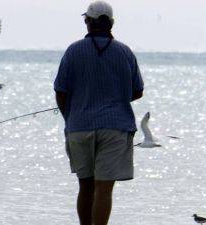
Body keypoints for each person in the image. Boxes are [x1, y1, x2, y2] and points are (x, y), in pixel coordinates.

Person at [53, 1, 144, 225]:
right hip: (115, 128)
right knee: (104, 189)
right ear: (111, 23)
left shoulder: (73, 51)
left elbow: (60, 90)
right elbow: (137, 91)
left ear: (88, 22)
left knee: (85, 186)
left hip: (79, 127)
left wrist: (70, 117)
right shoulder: (125, 52)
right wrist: (115, 96)